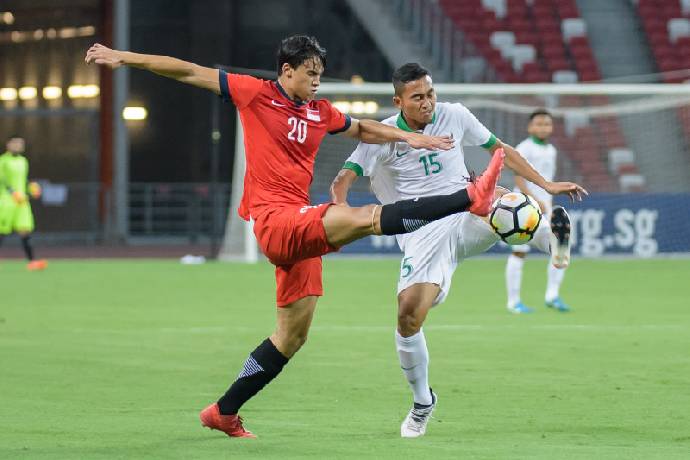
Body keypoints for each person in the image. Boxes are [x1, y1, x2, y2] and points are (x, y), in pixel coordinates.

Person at [85, 35, 519, 438]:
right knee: (365, 217)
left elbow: (364, 129)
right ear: (286, 70)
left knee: (291, 336)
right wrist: (126, 58)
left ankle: (224, 411)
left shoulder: (319, 112)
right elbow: (186, 70)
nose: (315, 82)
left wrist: (410, 137)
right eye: (309, 73)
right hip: (277, 220)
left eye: (319, 75)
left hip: (301, 227)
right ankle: (469, 197)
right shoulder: (254, 93)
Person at [330, 63, 585, 438]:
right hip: (421, 232)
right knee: (408, 316)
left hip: (466, 211)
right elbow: (343, 180)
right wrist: (339, 215)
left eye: (430, 93)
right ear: (399, 100)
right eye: (418, 97)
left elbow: (502, 151)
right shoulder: (380, 136)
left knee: (503, 200)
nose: (428, 102)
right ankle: (422, 402)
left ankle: (553, 243)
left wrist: (545, 184)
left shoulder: (455, 114)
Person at [505, 109, 570, 314]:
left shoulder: (551, 150)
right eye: (539, 124)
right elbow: (518, 178)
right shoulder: (524, 148)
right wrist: (534, 199)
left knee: (560, 248)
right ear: (530, 127)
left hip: (545, 208)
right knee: (519, 252)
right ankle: (513, 301)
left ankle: (552, 295)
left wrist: (546, 202)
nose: (543, 127)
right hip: (523, 208)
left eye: (547, 124)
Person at [0, 135, 47, 271]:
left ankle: (32, 261)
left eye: (20, 143)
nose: (18, 146)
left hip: (22, 202)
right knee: (2, 232)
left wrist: (31, 187)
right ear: (8, 144)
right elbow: (2, 180)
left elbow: (24, 179)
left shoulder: (23, 161)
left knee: (25, 230)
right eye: (15, 143)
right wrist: (12, 192)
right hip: (6, 201)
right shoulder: (3, 161)